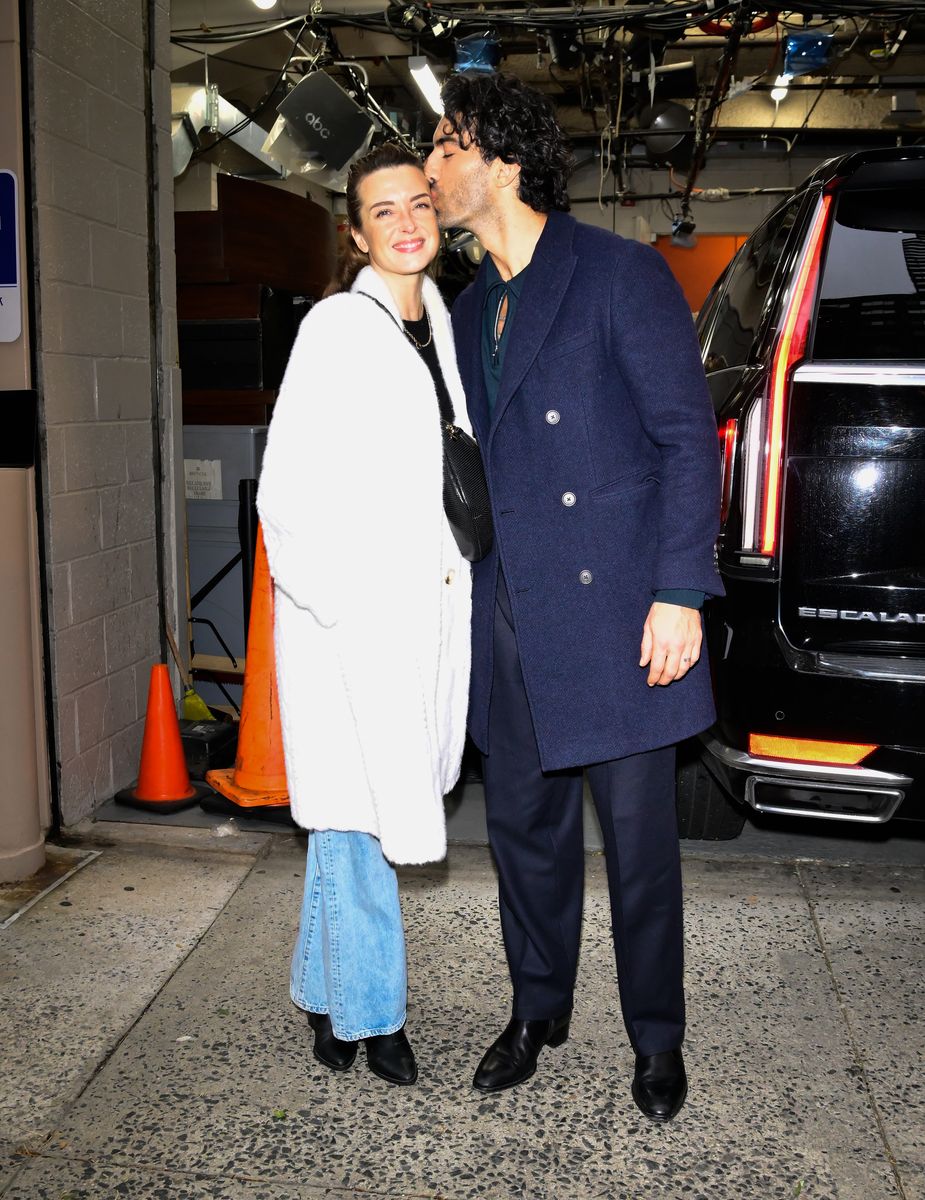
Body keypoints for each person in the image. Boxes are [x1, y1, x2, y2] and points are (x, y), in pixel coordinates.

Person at [424, 74, 723, 1119]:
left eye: (444, 147)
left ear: (500, 158)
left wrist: (681, 591)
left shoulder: (616, 274)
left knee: (639, 852)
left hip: (618, 612)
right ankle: (535, 1008)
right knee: (524, 840)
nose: (431, 169)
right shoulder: (467, 311)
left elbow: (688, 440)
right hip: (508, 610)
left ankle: (656, 1039)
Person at [257, 142, 472, 1087]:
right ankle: (375, 1015)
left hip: (422, 619)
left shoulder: (445, 325)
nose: (407, 222)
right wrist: (340, 609)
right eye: (383, 211)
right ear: (355, 232)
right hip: (355, 629)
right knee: (362, 820)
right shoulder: (336, 328)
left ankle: (322, 990)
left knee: (354, 817)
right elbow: (287, 492)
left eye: (418, 202)